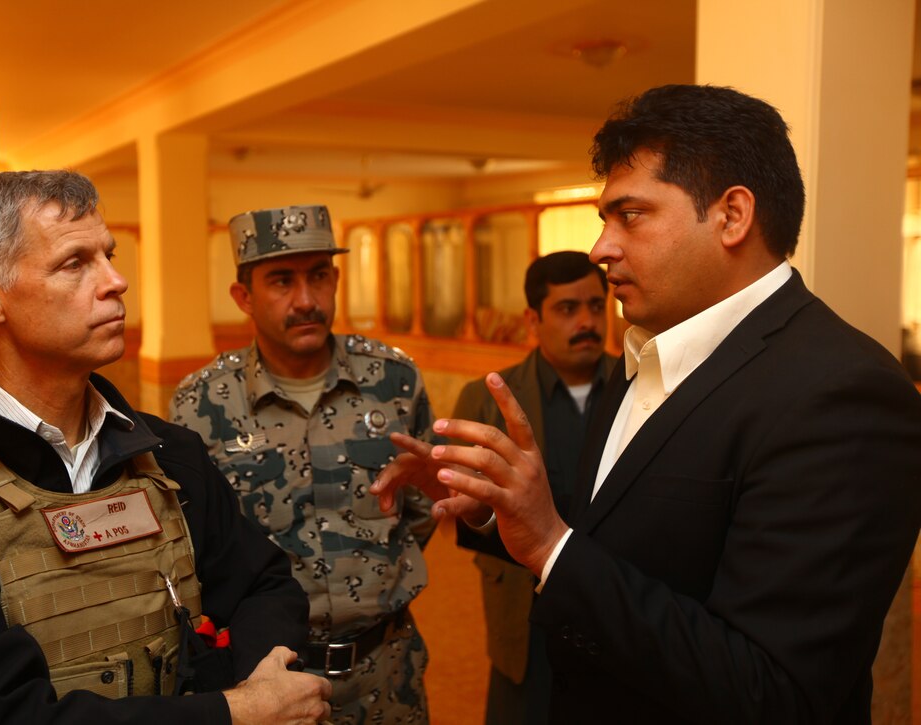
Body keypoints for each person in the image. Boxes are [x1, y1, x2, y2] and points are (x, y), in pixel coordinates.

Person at [371, 84, 921, 723]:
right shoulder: (647, 356)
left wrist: (552, 544)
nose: (602, 248)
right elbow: (615, 541)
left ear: (732, 216)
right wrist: (504, 514)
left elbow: (773, 691)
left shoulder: (841, 394)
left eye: (629, 215)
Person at [0, 170, 332, 725]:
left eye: (109, 256)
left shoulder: (169, 453)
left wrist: (262, 678)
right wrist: (233, 713)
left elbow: (262, 586)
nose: (117, 281)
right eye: (75, 263)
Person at [171, 204, 437, 724]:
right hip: (268, 681)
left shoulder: (394, 381)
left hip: (387, 671)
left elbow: (421, 510)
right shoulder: (203, 404)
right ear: (243, 297)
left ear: (336, 280)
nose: (306, 301)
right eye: (281, 282)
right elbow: (196, 544)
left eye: (319, 277)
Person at [453, 251, 616, 724]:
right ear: (533, 319)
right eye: (568, 309)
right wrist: (477, 511)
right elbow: (474, 515)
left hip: (617, 609)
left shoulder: (640, 389)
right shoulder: (485, 401)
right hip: (525, 616)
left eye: (594, 305)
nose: (586, 321)